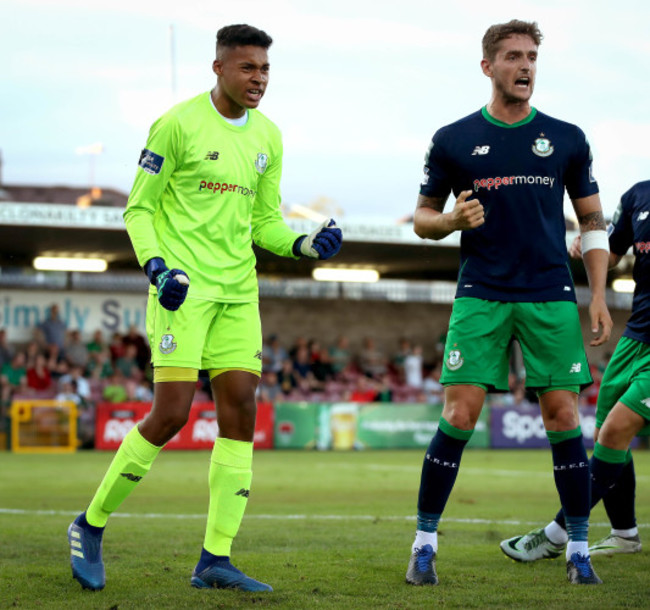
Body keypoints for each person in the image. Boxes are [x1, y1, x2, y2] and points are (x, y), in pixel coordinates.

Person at [66, 23, 342, 594]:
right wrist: (158, 269)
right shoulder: (176, 124)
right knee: (170, 415)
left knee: (241, 410)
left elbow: (264, 221)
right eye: (247, 68)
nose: (258, 79)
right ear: (218, 68)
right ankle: (89, 525)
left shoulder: (269, 136)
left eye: (265, 69)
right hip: (181, 291)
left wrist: (302, 243)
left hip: (239, 293)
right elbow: (138, 210)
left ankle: (215, 557)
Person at [405, 19, 612, 587]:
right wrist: (449, 220)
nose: (525, 67)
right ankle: (424, 544)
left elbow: (593, 221)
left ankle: (577, 549)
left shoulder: (566, 138)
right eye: (514, 57)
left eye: (532, 58)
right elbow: (423, 218)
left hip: (550, 293)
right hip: (482, 292)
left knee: (564, 416)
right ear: (488, 66)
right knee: (459, 414)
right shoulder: (453, 139)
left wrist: (596, 294)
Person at [500, 180, 650, 561]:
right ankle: (625, 534)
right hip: (636, 337)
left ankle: (555, 533)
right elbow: (613, 252)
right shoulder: (639, 195)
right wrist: (589, 246)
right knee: (604, 435)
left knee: (616, 430)